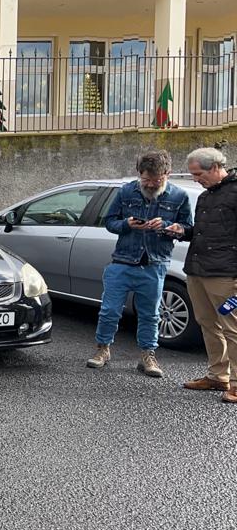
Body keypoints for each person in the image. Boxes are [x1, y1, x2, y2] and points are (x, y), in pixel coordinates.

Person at [86, 150, 193, 378]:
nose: (152, 184)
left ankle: (148, 355)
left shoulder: (179, 196)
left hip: (155, 263)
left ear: (168, 173)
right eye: (146, 180)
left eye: (157, 180)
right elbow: (110, 222)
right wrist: (127, 224)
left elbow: (188, 229)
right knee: (109, 310)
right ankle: (102, 349)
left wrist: (171, 227)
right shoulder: (126, 192)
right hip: (122, 261)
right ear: (139, 174)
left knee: (151, 314)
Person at [170, 147, 237, 401]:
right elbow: (202, 231)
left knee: (233, 328)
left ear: (215, 168)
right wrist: (183, 231)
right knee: (208, 324)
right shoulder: (206, 196)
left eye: (198, 174)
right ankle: (218, 376)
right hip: (198, 270)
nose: (196, 179)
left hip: (226, 275)